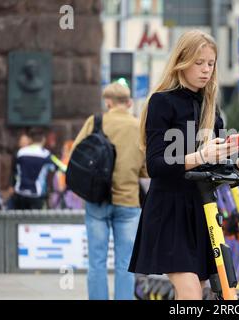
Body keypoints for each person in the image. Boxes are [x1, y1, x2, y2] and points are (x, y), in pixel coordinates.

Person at [128, 30, 239, 300]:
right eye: (199, 62)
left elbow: (223, 147)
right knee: (190, 293)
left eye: (210, 64)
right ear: (182, 61)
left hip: (201, 209)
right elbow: (155, 164)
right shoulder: (162, 102)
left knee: (197, 291)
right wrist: (200, 157)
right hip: (169, 209)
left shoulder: (210, 105)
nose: (205, 70)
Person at [72, 82, 146, 300]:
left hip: (97, 201)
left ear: (108, 103)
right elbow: (147, 167)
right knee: (125, 263)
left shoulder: (95, 122)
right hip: (129, 202)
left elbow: (77, 156)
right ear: (129, 103)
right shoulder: (138, 126)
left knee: (97, 262)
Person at [12, 128, 60, 210]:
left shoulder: (20, 152)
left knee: (19, 221)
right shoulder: (46, 154)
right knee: (36, 221)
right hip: (36, 194)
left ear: (30, 139)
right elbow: (60, 167)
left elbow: (15, 172)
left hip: (20, 192)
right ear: (43, 139)